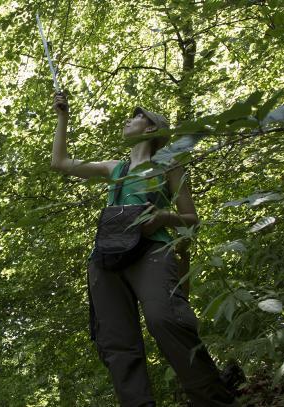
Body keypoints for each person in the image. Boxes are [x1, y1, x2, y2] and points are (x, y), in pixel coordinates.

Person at [49, 92, 238, 407]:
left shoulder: (169, 166)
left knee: (165, 318)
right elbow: (60, 162)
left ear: (152, 129)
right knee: (117, 343)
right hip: (105, 260)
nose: (128, 119)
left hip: (153, 250)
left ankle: (214, 400)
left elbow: (191, 220)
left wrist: (164, 216)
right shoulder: (116, 169)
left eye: (137, 116)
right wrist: (62, 118)